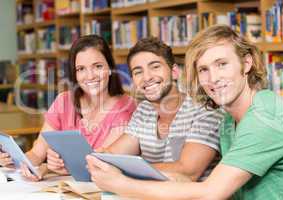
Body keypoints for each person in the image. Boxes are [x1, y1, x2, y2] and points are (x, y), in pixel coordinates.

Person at [86, 25, 283, 200]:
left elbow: (210, 192)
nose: (213, 78)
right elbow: (198, 183)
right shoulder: (228, 120)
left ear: (246, 64)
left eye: (222, 64)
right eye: (204, 70)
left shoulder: (266, 115)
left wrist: (122, 183)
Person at [0, 35, 136, 181]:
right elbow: (37, 154)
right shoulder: (64, 101)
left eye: (98, 66)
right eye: (81, 69)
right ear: (75, 74)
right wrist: (18, 163)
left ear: (110, 68)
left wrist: (48, 167)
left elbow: (101, 164)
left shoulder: (126, 108)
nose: (90, 76)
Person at [87, 37, 224, 182]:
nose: (147, 77)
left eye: (155, 67)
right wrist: (96, 158)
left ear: (175, 72)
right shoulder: (144, 110)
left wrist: (123, 169)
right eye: (138, 72)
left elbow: (188, 171)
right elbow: (113, 154)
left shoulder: (205, 109)